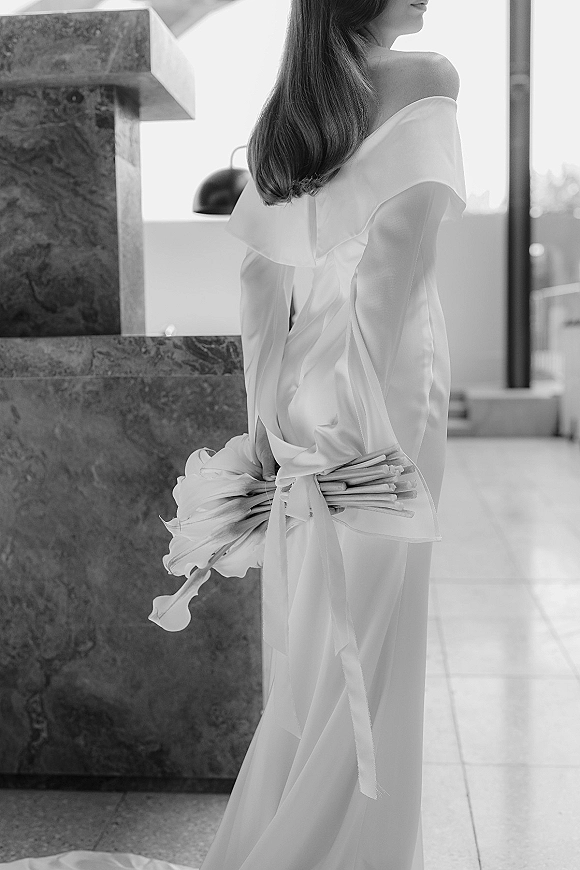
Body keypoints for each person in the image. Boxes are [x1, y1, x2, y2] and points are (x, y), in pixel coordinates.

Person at [0, 1, 465, 869]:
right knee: (375, 641)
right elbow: (391, 275)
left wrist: (268, 439)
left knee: (320, 643)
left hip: (297, 411)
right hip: (385, 401)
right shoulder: (427, 79)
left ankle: (297, 834)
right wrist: (365, 446)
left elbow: (262, 287)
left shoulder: (289, 116)